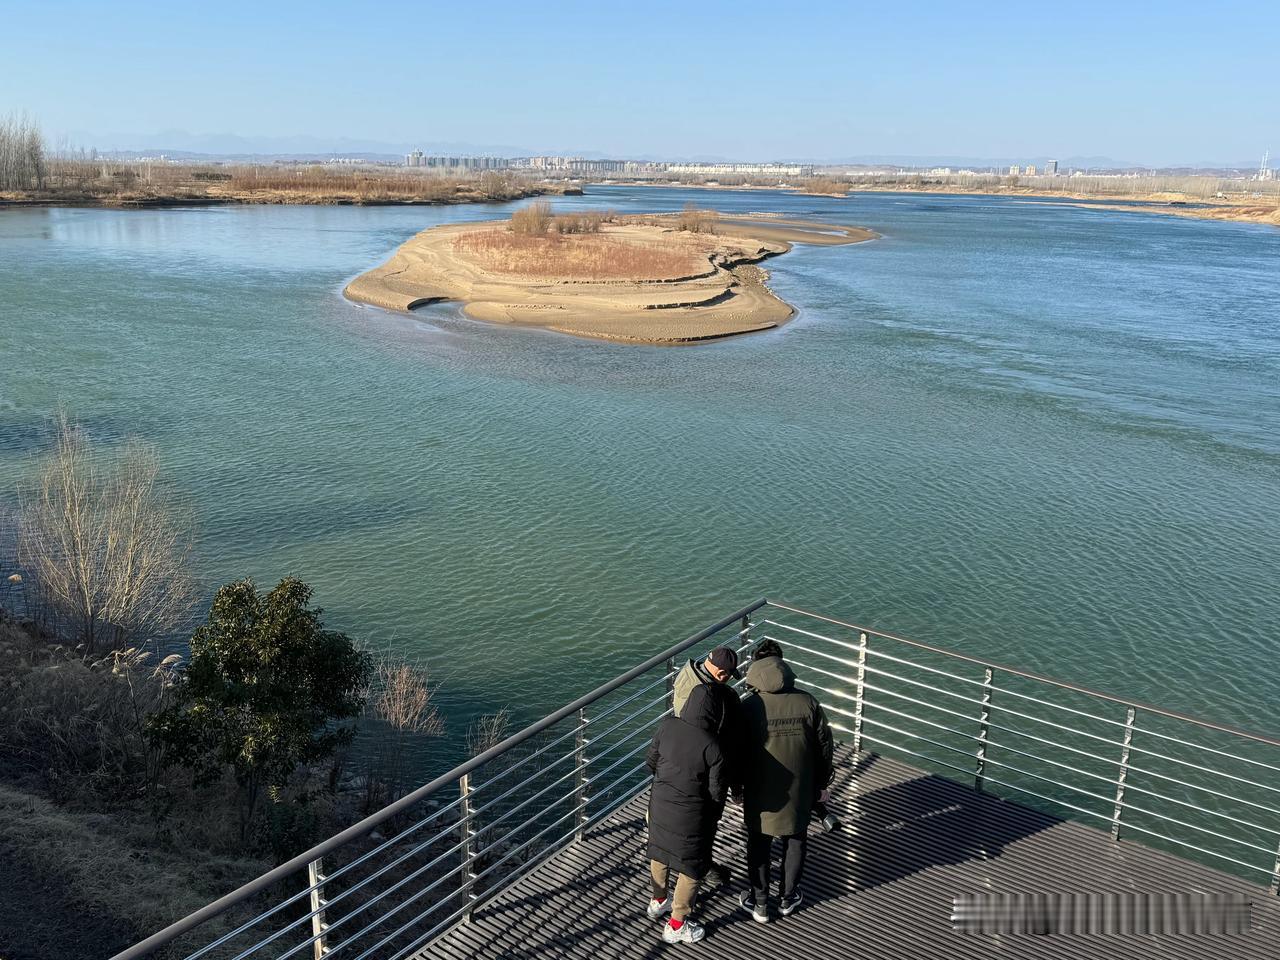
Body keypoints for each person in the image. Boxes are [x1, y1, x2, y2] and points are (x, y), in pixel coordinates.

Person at [738, 648, 834, 922]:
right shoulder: (808, 702)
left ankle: (759, 903)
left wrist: (736, 787)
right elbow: (824, 747)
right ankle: (788, 897)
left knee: (758, 842)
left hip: (759, 789)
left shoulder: (748, 707)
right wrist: (822, 783)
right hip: (800, 788)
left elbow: (736, 752)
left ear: (756, 668)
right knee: (795, 840)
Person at [645, 684, 730, 944]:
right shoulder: (713, 746)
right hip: (692, 815)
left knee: (659, 851)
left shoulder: (667, 726)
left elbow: (650, 762)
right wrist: (713, 816)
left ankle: (659, 900)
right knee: (692, 867)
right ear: (714, 713)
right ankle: (676, 924)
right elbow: (716, 793)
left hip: (659, 804)